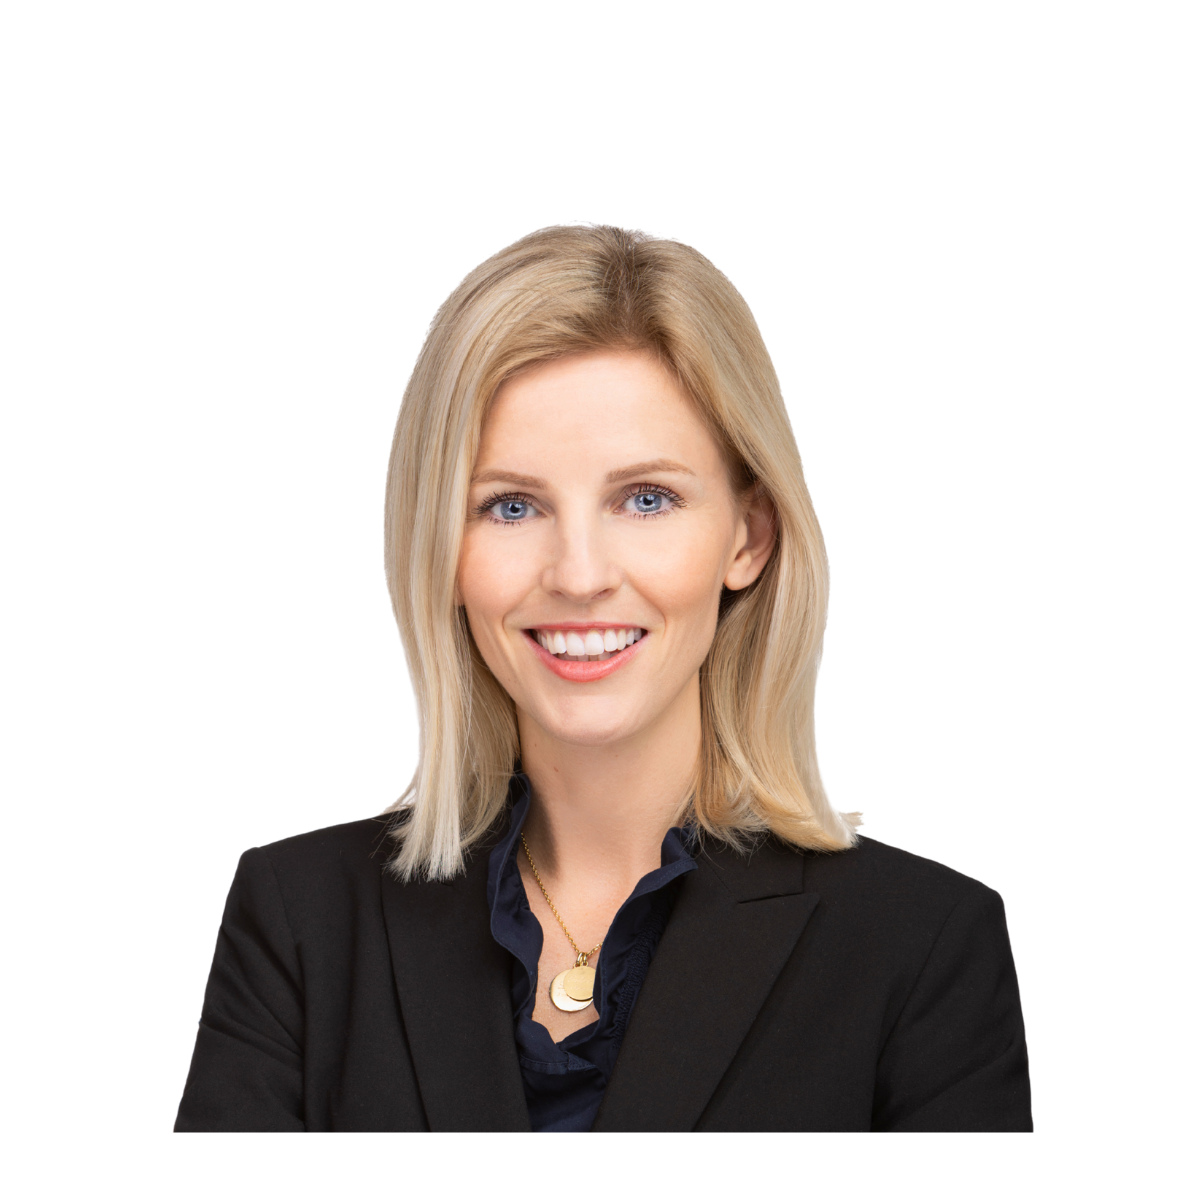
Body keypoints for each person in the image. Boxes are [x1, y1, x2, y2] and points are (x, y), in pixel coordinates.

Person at [174, 223, 1032, 1140]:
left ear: (747, 537)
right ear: (442, 550)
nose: (579, 575)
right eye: (511, 506)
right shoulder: (298, 919)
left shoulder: (921, 945)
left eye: (646, 499)